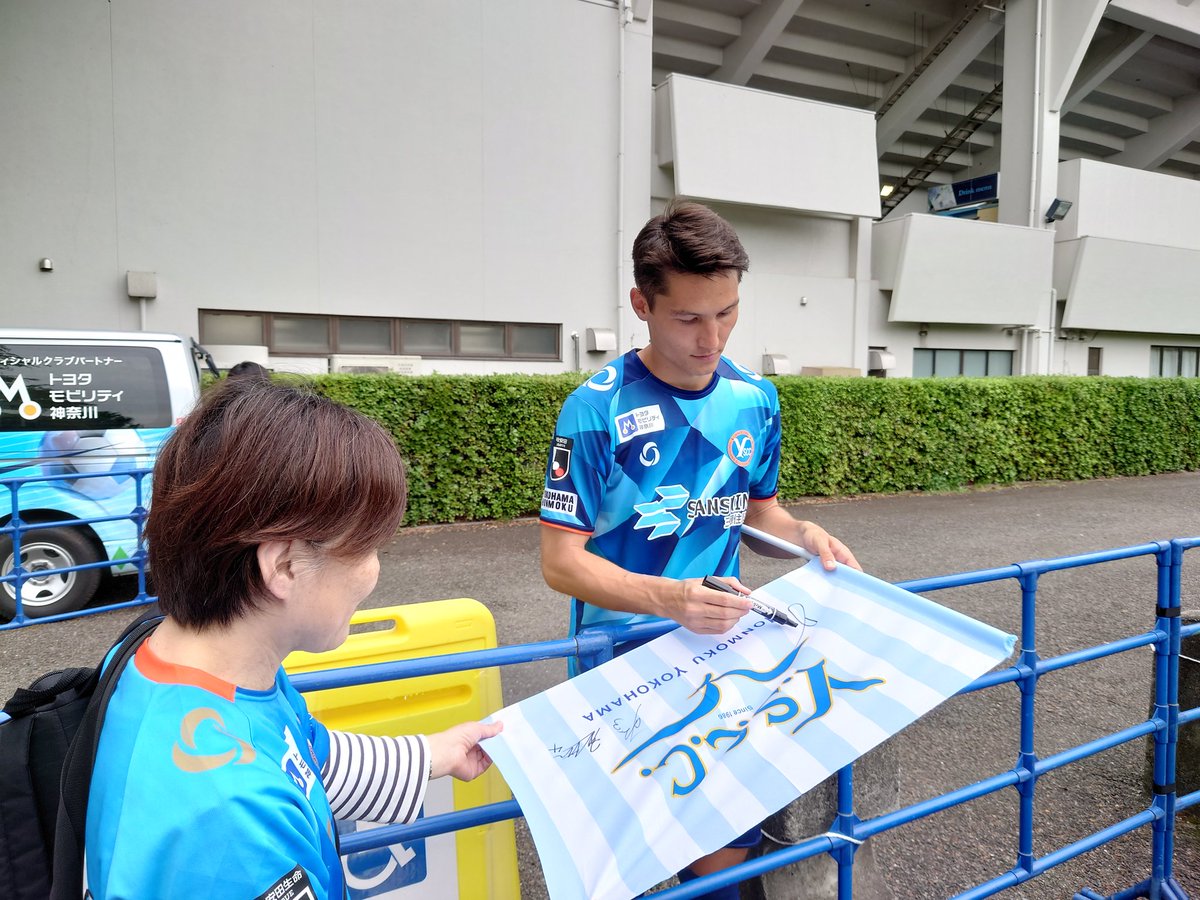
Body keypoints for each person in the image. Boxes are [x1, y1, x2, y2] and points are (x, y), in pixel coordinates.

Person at [539, 199, 859, 898]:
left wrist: (806, 538)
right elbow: (561, 561)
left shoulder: (756, 399)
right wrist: (672, 599)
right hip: (623, 657)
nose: (710, 337)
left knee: (720, 851)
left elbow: (761, 511)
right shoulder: (595, 409)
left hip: (725, 648)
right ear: (641, 305)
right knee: (642, 856)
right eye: (688, 317)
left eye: (728, 313)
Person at [83, 378, 501, 899]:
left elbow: (304, 757)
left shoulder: (171, 658)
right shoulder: (232, 819)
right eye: (368, 548)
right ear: (283, 564)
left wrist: (435, 755)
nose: (373, 573)